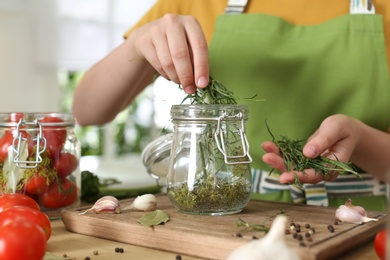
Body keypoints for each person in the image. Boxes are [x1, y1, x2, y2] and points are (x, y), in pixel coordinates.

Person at [72, 0, 390, 211]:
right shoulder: (198, 2)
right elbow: (88, 110)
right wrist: (137, 41)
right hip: (227, 216)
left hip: (360, 221)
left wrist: (360, 140)